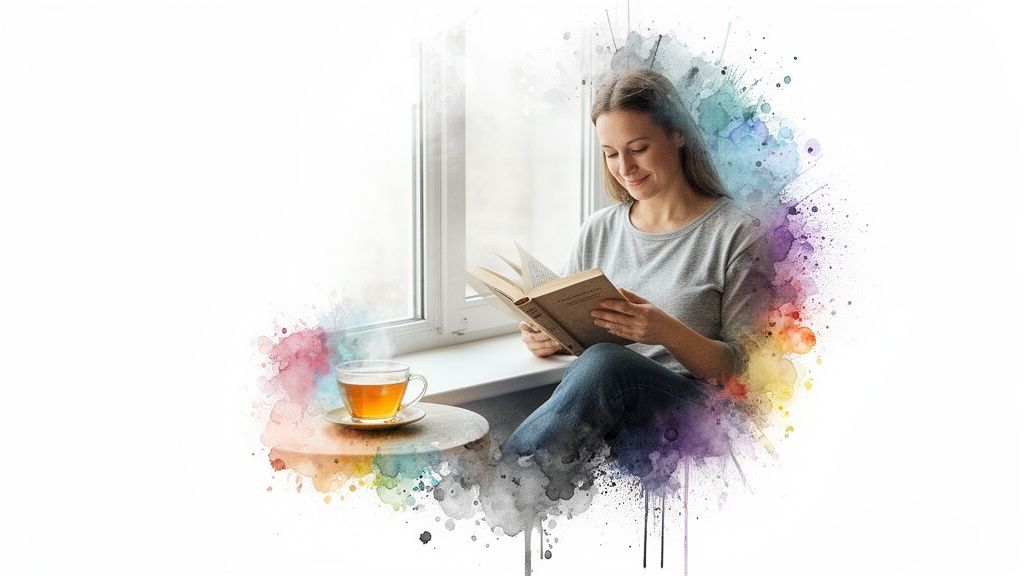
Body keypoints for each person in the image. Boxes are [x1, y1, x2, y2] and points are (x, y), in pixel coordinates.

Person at [500, 68, 771, 500]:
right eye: (610, 154)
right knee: (603, 363)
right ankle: (515, 496)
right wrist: (550, 335)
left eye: (638, 149)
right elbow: (586, 346)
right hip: (614, 412)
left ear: (678, 135)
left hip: (701, 415)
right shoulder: (599, 229)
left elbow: (748, 376)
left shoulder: (737, 233)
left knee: (610, 364)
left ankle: (503, 490)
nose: (624, 168)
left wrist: (662, 330)